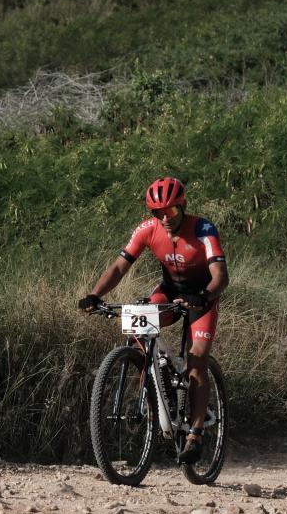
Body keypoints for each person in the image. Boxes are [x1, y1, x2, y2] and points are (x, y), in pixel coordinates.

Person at [78, 176, 227, 463]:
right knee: (139, 330)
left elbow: (221, 276)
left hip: (202, 297)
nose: (165, 218)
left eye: (171, 210)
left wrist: (205, 295)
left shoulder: (203, 229)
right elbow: (119, 267)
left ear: (183, 206)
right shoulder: (147, 229)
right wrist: (95, 295)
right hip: (170, 291)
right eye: (158, 213)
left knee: (197, 359)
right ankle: (157, 389)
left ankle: (196, 434)